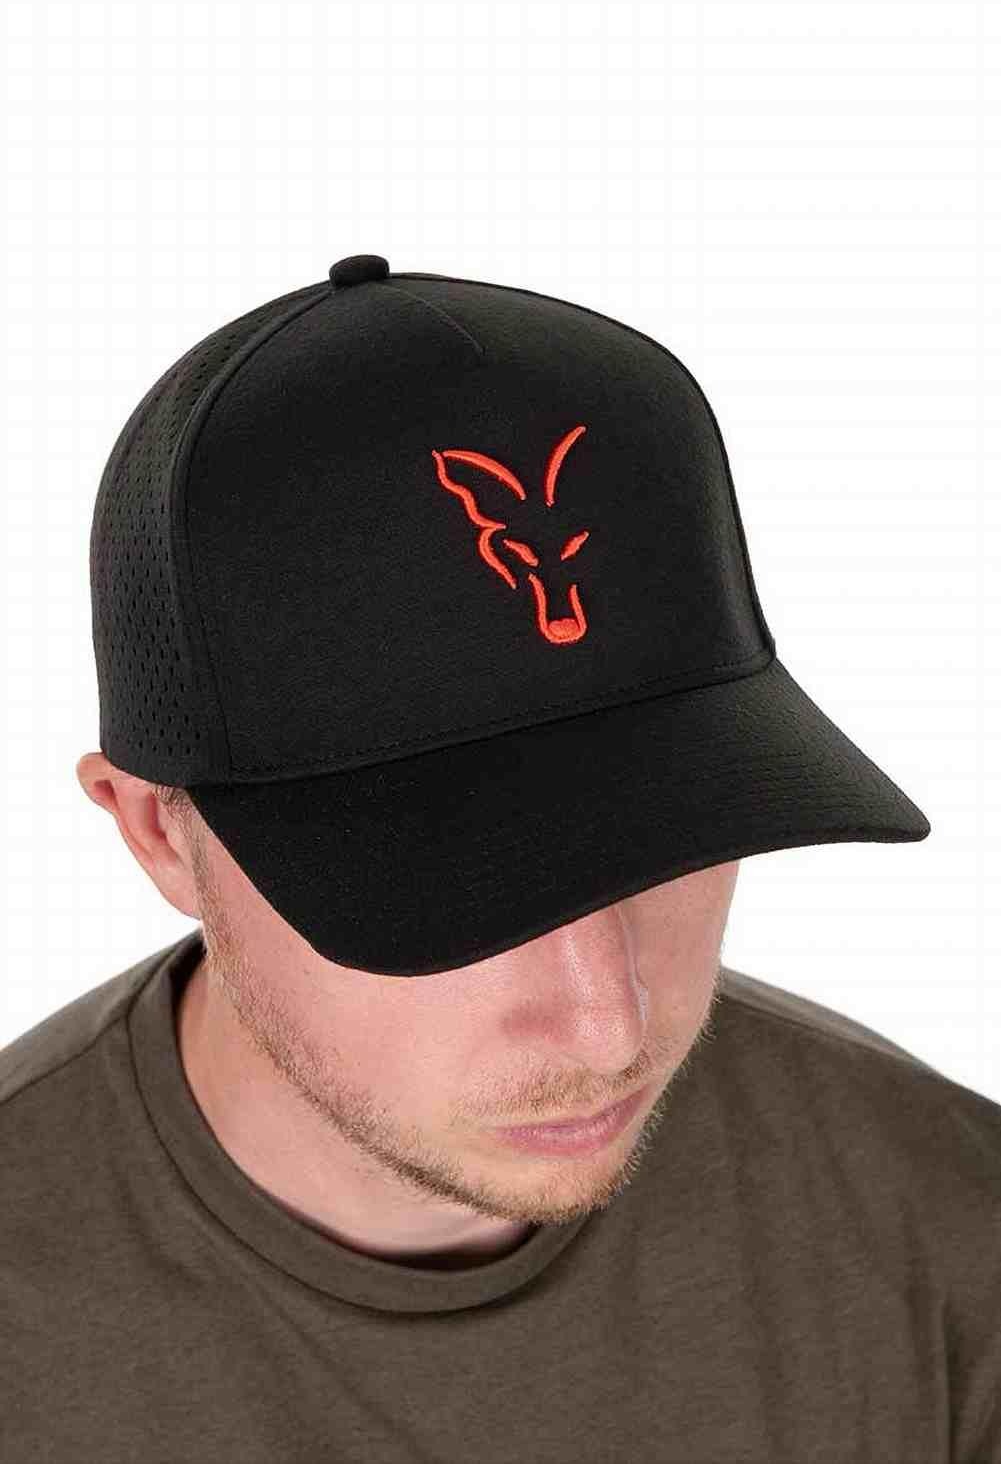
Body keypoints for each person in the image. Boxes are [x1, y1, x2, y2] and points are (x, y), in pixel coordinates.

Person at [2, 255, 997, 1462]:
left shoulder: (953, 1231)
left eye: (665, 836)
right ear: (160, 831)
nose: (608, 1029)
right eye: (459, 887)